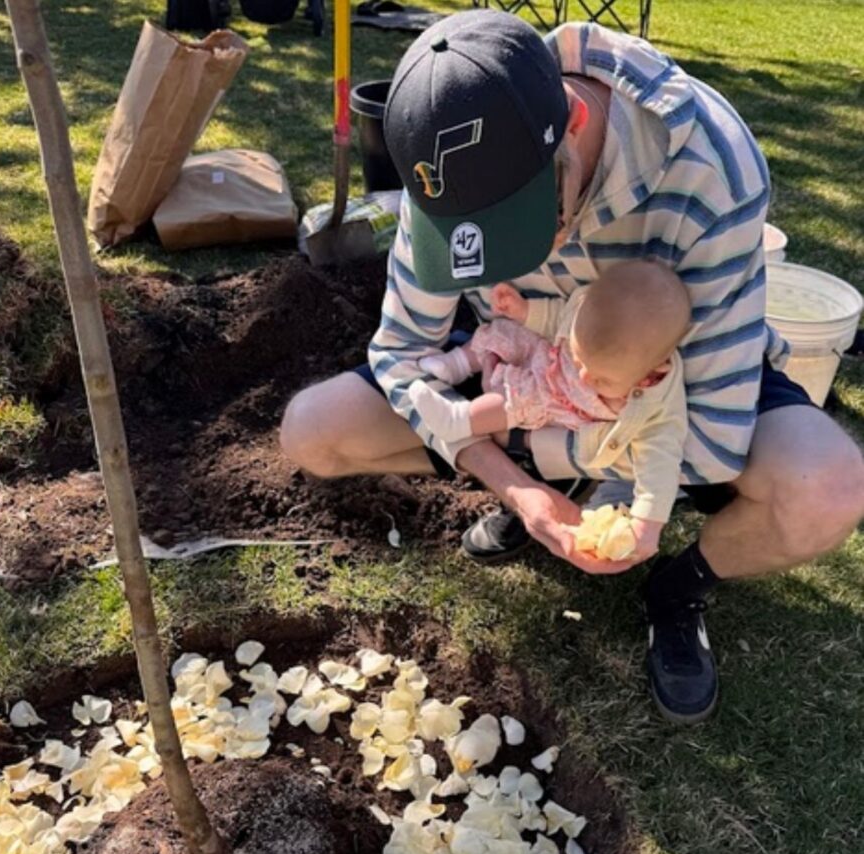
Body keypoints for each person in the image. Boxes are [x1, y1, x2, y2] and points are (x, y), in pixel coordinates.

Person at [280, 11, 864, 725]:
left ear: (577, 123)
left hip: (656, 377)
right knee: (313, 430)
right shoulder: (447, 151)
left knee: (829, 487)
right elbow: (402, 356)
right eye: (470, 242)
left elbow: (709, 437)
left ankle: (678, 587)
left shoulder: (711, 163)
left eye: (522, 230)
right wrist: (522, 489)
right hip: (517, 358)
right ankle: (561, 487)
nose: (504, 264)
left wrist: (591, 466)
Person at [408, 261, 691, 560]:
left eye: (601, 379)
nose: (584, 377)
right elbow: (560, 317)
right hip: (552, 358)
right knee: (506, 332)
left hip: (558, 400)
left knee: (516, 400)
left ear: (651, 372)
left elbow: (660, 464)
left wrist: (648, 524)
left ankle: (459, 421)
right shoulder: (592, 314)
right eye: (583, 361)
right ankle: (456, 364)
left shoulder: (656, 403)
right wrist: (526, 311)